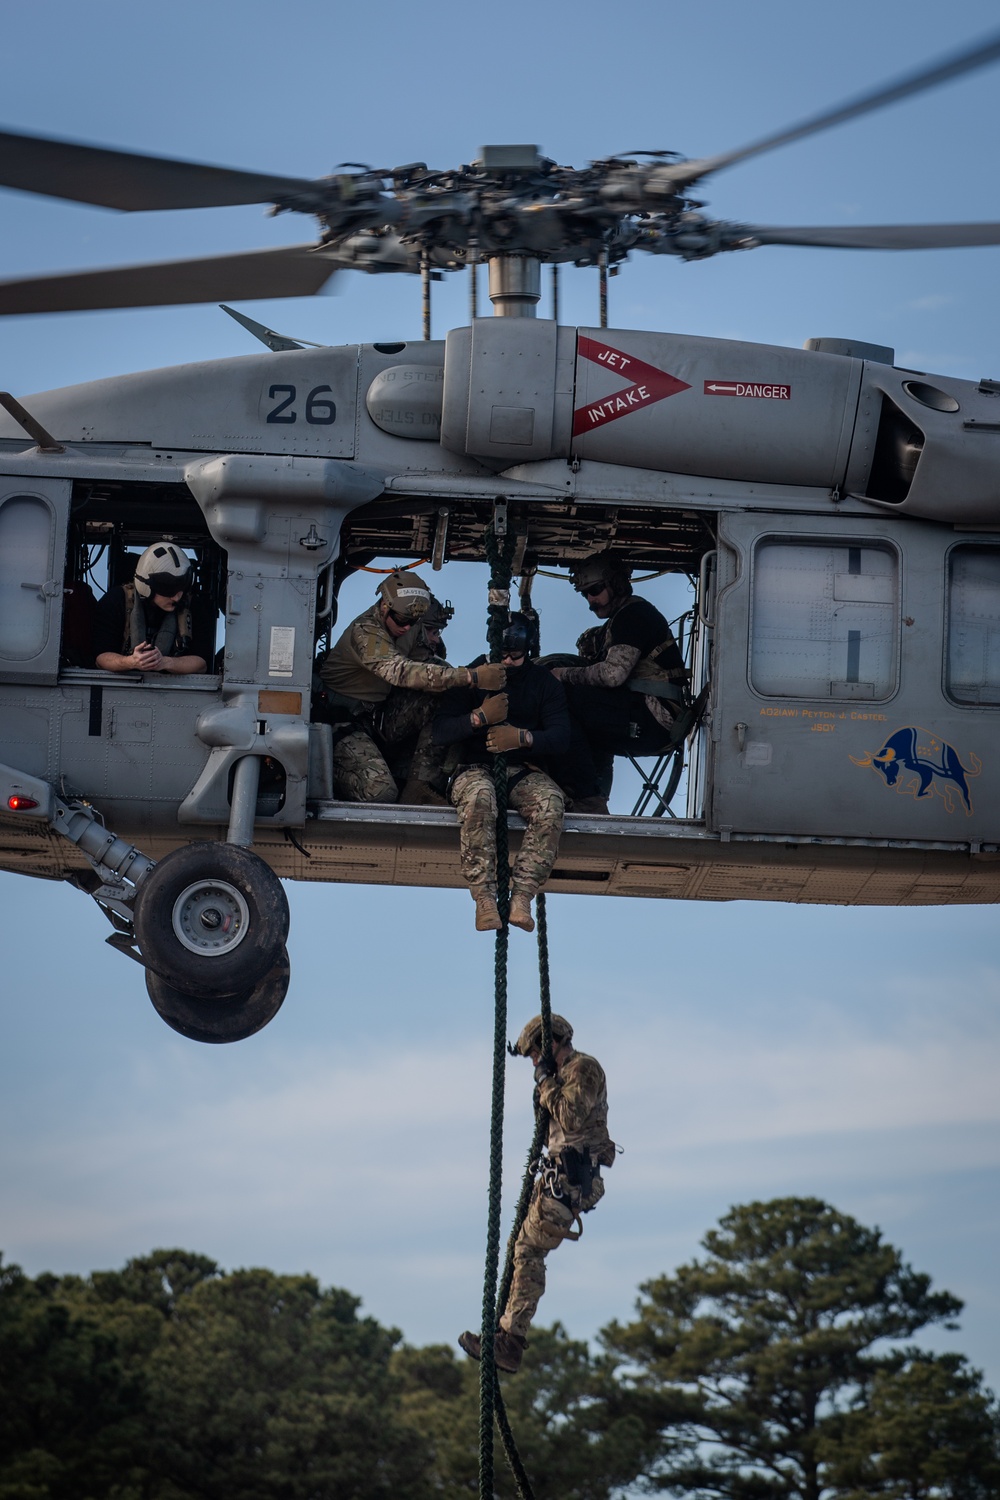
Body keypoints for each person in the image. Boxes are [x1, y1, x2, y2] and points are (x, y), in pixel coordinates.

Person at [459, 1012, 614, 1374]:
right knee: (523, 1248)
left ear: (552, 1045)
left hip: (572, 1182)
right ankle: (506, 1332)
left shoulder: (582, 1069)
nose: (533, 1061)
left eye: (534, 1053)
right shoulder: (562, 1076)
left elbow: (572, 1118)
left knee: (528, 1251)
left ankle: (510, 1341)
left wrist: (545, 1082)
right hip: (558, 1179)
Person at [432, 614, 569, 933]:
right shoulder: (469, 677)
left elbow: (561, 737)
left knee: (551, 803)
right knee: (480, 799)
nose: (507, 662)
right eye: (501, 655)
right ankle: (484, 898)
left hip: (520, 769)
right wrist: (477, 719)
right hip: (473, 769)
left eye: (515, 656)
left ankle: (522, 896)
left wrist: (523, 738)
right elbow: (440, 731)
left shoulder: (542, 684)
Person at [320, 571, 505, 804]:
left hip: (376, 720)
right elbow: (401, 671)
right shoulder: (365, 632)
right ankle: (327, 772)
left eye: (414, 621)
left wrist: (476, 672)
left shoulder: (409, 625)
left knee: (446, 692)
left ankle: (419, 786)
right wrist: (470, 676)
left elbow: (428, 666)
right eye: (402, 620)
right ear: (384, 606)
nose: (407, 627)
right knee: (380, 792)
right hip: (340, 724)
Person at [548, 551, 688, 810]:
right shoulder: (620, 618)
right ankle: (588, 793)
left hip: (655, 718)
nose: (591, 600)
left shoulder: (633, 615)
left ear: (617, 583)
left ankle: (587, 796)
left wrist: (563, 674)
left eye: (596, 590)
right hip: (647, 715)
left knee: (560, 699)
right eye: (585, 594)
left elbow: (613, 675)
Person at [94, 542, 208, 675]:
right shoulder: (117, 601)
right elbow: (100, 658)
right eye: (168, 590)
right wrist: (131, 661)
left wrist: (165, 662)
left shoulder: (193, 606)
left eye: (181, 589)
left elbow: (202, 663)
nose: (176, 598)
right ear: (147, 587)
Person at [380, 595, 454, 788]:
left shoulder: (431, 657)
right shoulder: (382, 649)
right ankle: (420, 786)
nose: (436, 640)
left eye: (438, 632)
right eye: (432, 631)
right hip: (379, 732)